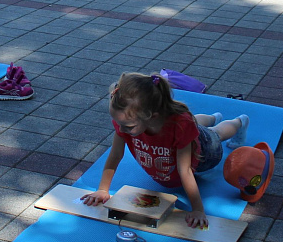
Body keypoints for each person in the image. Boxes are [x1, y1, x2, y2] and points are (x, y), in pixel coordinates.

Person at [79, 73, 249, 229]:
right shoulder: (127, 122)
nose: (121, 130)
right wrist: (102, 190)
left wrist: (197, 209)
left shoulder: (179, 126)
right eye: (119, 123)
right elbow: (116, 155)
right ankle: (212, 117)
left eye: (128, 127)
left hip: (205, 151)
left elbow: (185, 170)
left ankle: (239, 122)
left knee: (216, 133)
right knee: (194, 123)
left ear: (151, 116)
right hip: (183, 131)